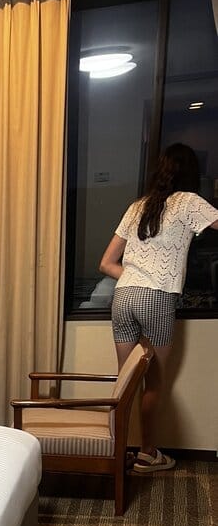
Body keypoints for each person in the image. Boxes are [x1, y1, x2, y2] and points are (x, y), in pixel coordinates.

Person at [99, 143, 218, 473]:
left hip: (123, 297)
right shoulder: (189, 201)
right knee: (153, 383)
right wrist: (153, 279)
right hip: (157, 299)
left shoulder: (137, 206)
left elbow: (106, 263)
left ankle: (114, 452)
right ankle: (147, 454)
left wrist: (137, 276)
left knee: (125, 382)